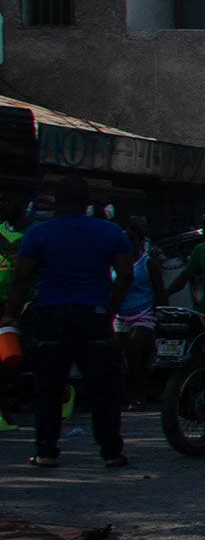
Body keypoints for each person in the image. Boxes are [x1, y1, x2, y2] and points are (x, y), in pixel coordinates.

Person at [10, 177, 134, 468]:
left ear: (56, 201)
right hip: (93, 317)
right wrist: (110, 310)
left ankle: (46, 452)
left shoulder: (39, 233)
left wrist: (10, 314)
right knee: (102, 389)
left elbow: (22, 277)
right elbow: (125, 275)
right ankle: (111, 452)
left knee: (49, 388)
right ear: (87, 202)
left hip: (51, 317)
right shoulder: (110, 232)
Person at [113, 214, 160, 403]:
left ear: (140, 241)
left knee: (134, 350)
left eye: (132, 239)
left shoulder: (148, 263)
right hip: (119, 315)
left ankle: (139, 395)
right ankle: (127, 393)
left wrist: (161, 315)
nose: (128, 243)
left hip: (143, 314)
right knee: (120, 358)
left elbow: (160, 292)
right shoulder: (114, 264)